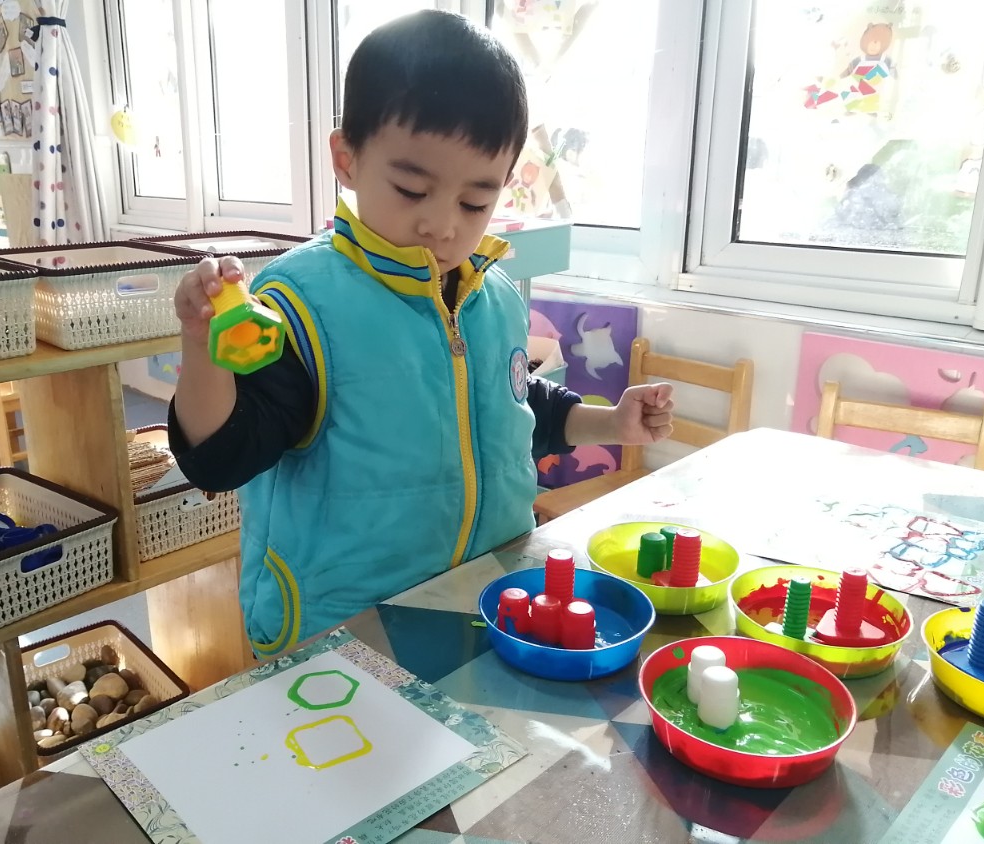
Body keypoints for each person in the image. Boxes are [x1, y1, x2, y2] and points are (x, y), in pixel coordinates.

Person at [168, 10, 673, 656]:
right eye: (412, 189)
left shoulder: (493, 297)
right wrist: (201, 347)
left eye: (474, 201)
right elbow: (221, 457)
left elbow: (517, 414)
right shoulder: (302, 304)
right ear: (347, 159)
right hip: (346, 627)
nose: (443, 225)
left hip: (485, 602)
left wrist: (612, 422)